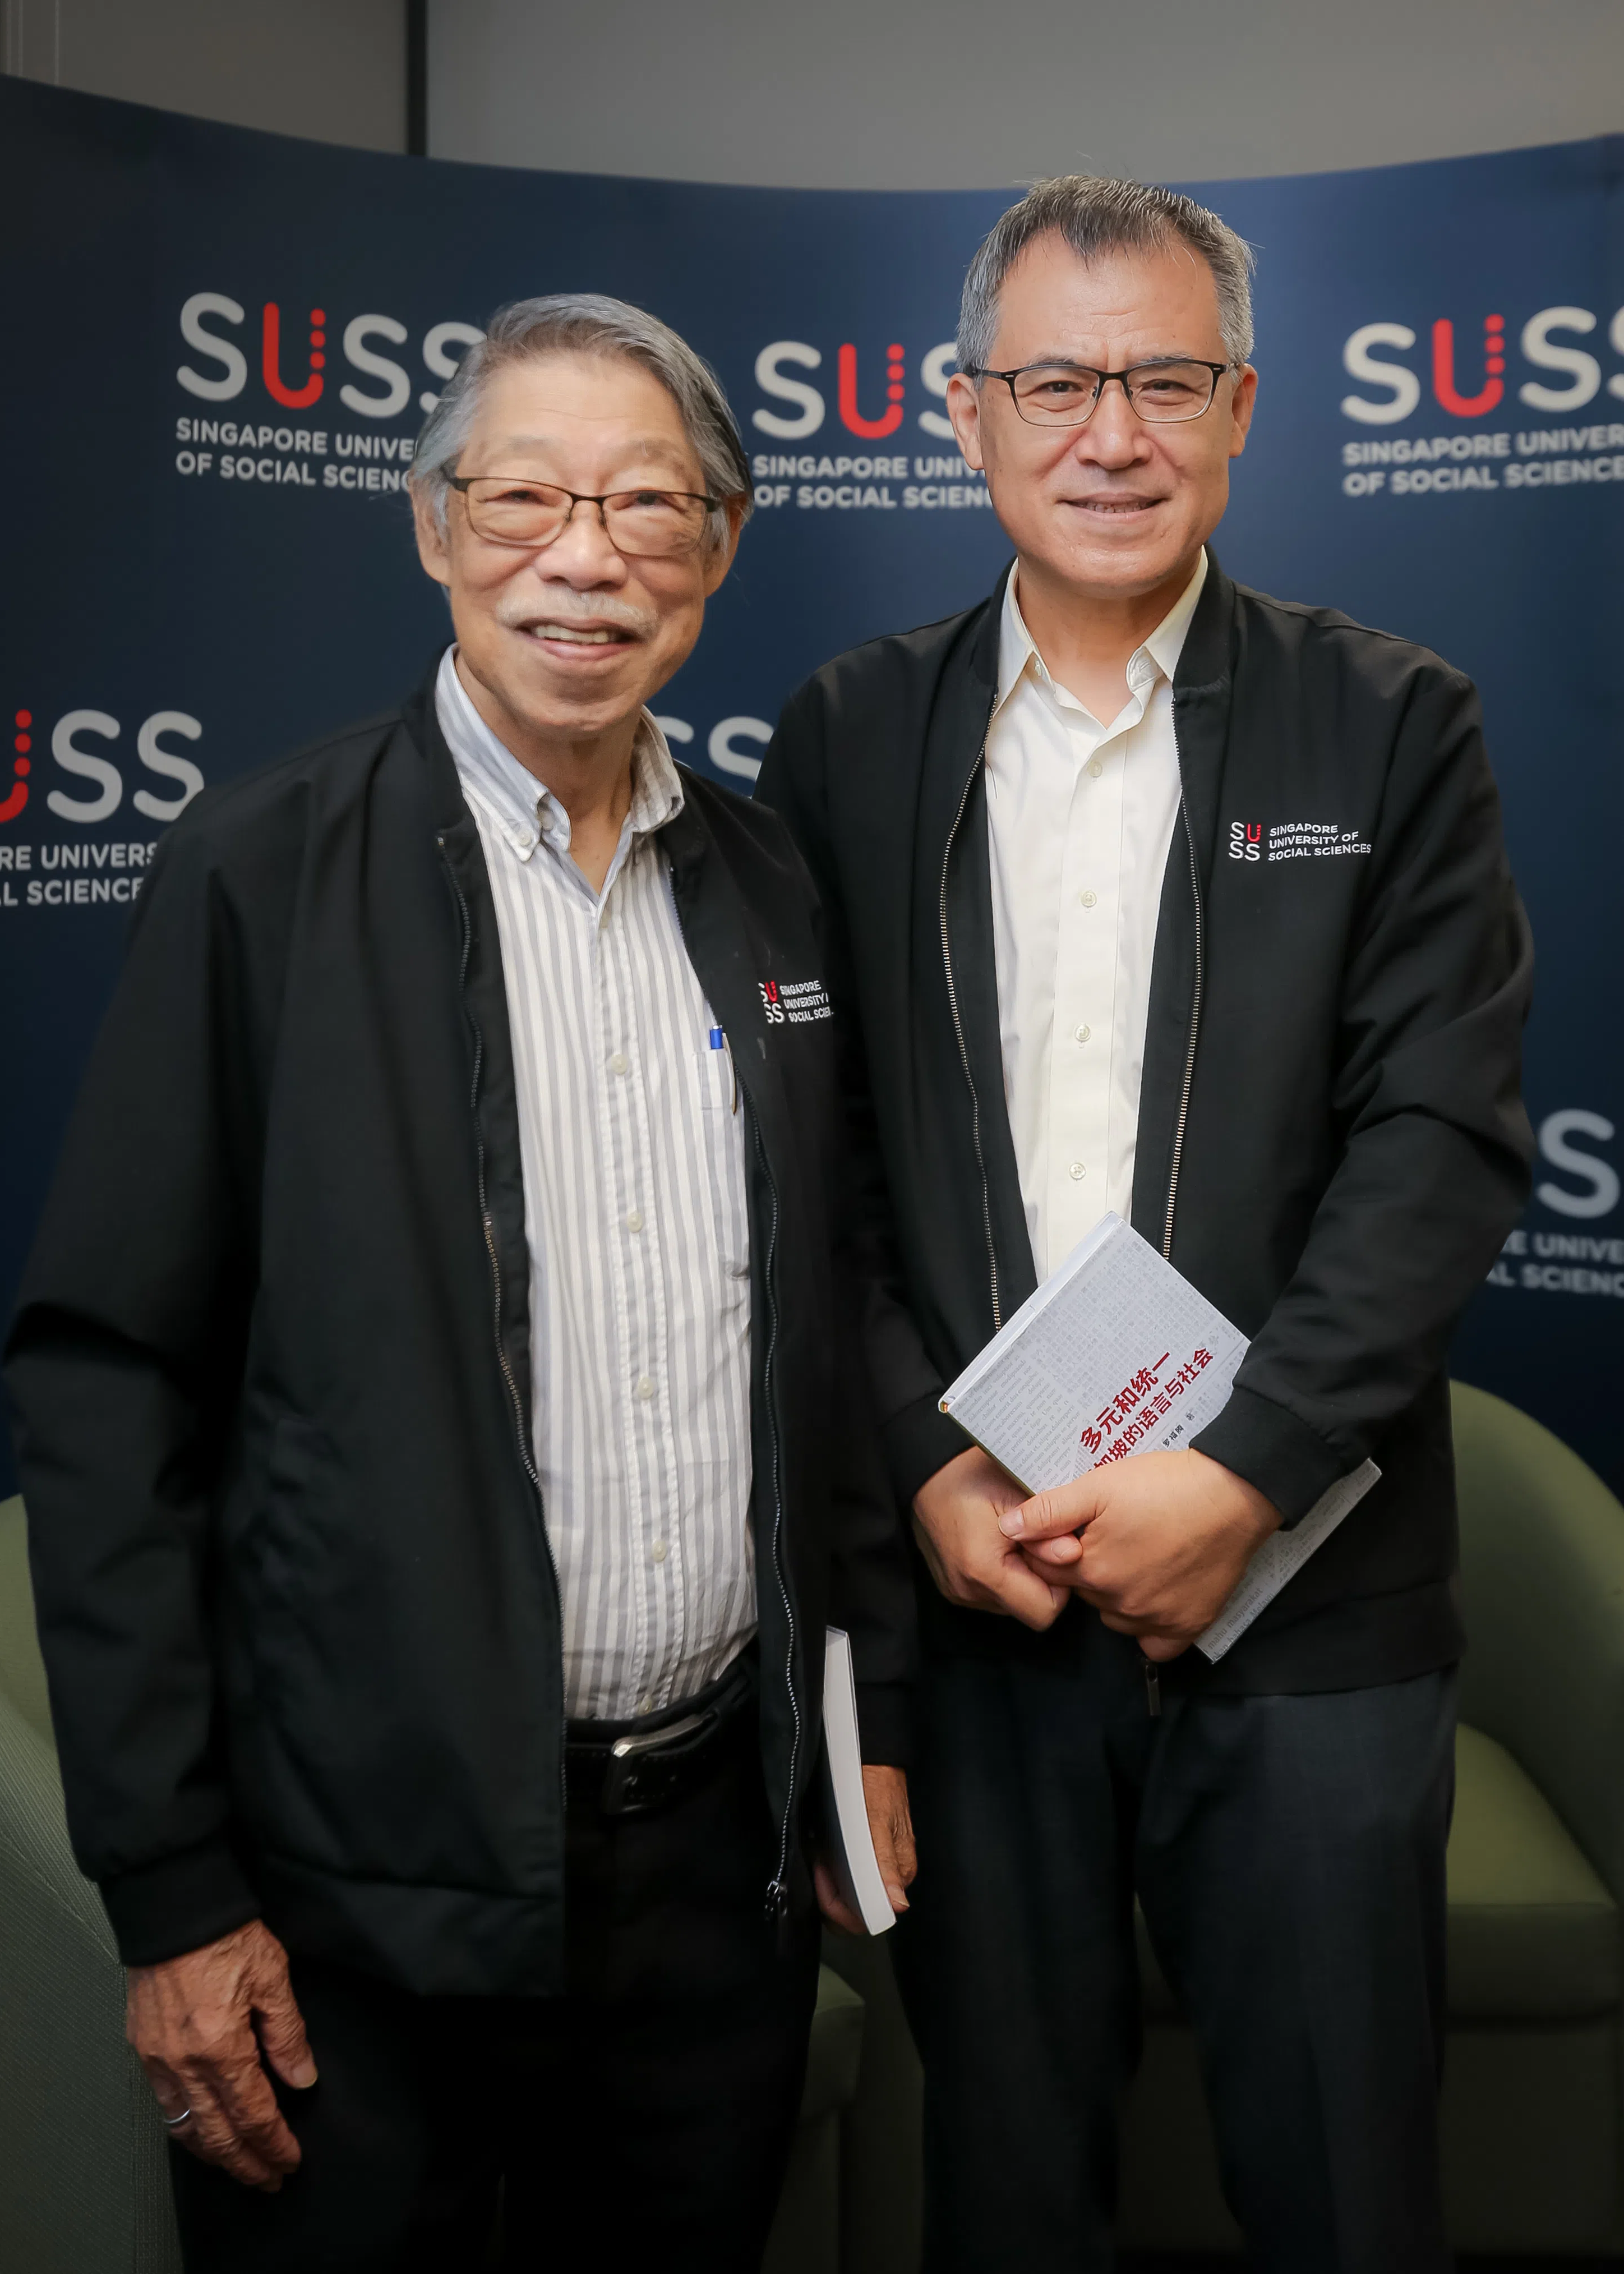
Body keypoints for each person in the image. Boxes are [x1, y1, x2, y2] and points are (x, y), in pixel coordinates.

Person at [6, 293, 916, 2274]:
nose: (582, 557)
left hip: (716, 1879)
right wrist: (173, 1892)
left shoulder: (769, 886)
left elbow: (824, 1338)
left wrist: (853, 1723)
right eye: (522, 499)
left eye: (646, 505)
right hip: (354, 1892)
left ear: (716, 547)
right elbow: (107, 1389)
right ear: (432, 526)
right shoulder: (258, 872)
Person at [757, 178, 1533, 2272]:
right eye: (1056, 383)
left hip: (1313, 1599)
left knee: (1344, 2191)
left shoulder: (1390, 721)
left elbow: (1437, 1141)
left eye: (1166, 380)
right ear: (964, 414)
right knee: (1007, 2192)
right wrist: (923, 1459)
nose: (1112, 433)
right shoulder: (844, 736)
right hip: (984, 1597)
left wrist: (1241, 1473)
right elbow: (816, 1165)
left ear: (1242, 409)